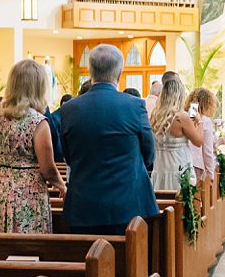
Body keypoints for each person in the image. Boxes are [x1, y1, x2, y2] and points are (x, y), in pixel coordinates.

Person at [60, 44, 158, 234]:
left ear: (90, 72)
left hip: (83, 206)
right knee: (129, 262)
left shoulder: (69, 109)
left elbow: (68, 155)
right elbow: (149, 153)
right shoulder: (135, 106)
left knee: (86, 261)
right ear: (120, 73)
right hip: (128, 204)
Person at [0, 59, 66, 234]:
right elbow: (47, 169)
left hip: (1, 189)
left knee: (2, 245)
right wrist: (62, 185)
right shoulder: (38, 122)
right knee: (28, 248)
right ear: (38, 87)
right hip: (28, 194)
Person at [150, 75, 203, 191]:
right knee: (180, 205)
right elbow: (198, 141)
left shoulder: (155, 115)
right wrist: (199, 121)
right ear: (179, 96)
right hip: (179, 169)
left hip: (160, 168)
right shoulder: (182, 117)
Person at [187, 87, 219, 182]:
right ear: (207, 104)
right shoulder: (205, 121)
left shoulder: (184, 115)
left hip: (182, 162)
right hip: (196, 165)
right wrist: (210, 174)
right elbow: (207, 151)